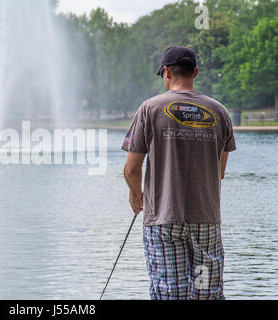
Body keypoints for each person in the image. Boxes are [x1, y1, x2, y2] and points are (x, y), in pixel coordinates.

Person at [122, 46, 236, 300]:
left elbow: (131, 169)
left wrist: (136, 195)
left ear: (166, 73)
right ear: (195, 72)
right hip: (206, 219)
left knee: (169, 291)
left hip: (163, 219)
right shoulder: (220, 112)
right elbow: (220, 172)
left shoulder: (149, 109)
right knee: (207, 292)